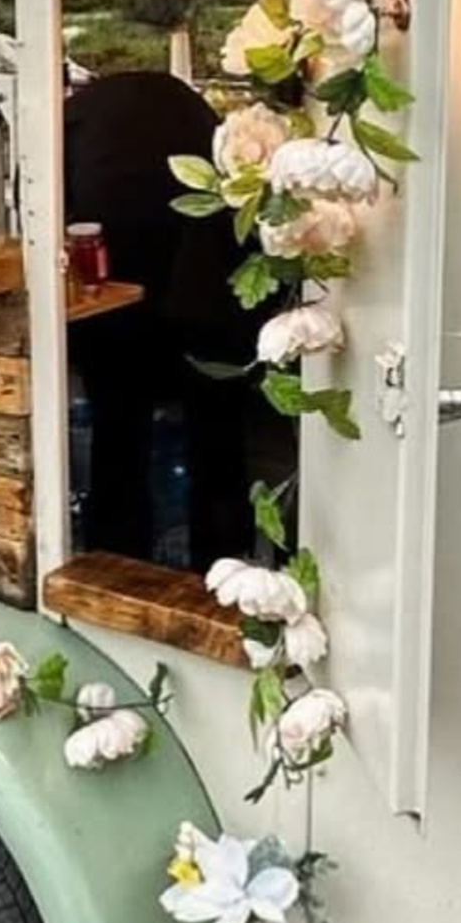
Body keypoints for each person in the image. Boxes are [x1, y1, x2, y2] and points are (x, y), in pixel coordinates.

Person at [63, 70, 267, 568]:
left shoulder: (81, 118)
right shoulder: (183, 110)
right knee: (218, 444)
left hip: (113, 304)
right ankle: (227, 577)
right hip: (207, 293)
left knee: (117, 438)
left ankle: (113, 573)